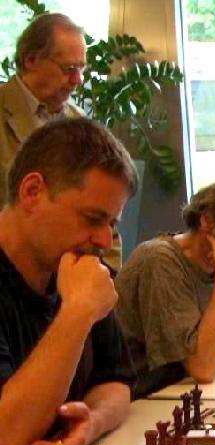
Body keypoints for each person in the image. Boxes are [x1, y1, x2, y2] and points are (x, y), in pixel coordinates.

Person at [0, 117, 138, 445]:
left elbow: (116, 381)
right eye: (92, 218)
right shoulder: (81, 287)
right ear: (32, 192)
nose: (105, 241)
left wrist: (92, 421)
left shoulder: (76, 264)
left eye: (111, 224)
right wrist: (77, 313)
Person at [115, 181, 215, 398]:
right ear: (208, 222)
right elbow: (203, 368)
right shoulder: (160, 260)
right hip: (143, 400)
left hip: (185, 393)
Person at [0, 12, 122, 271]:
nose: (78, 81)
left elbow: (105, 207)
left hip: (69, 274)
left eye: (81, 69)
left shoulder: (80, 122)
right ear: (31, 60)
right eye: (69, 69)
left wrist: (108, 271)